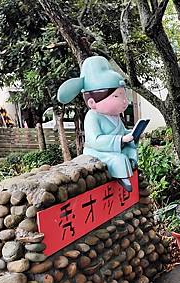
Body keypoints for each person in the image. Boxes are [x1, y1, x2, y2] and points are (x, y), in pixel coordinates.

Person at [57, 56, 136, 192]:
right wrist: (120, 139)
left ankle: (133, 170)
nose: (124, 101)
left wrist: (132, 134)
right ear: (92, 102)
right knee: (119, 159)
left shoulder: (115, 117)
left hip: (113, 147)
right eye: (116, 96)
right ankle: (123, 178)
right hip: (98, 151)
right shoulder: (93, 117)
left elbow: (122, 131)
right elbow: (95, 140)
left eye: (123, 95)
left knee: (130, 150)